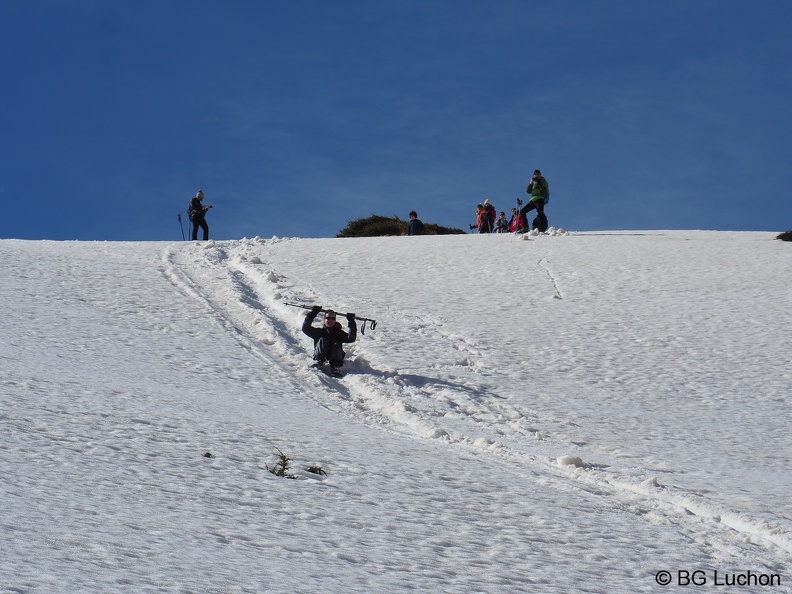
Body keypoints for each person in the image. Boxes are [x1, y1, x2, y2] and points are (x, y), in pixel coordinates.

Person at [302, 306, 357, 375]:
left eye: (333, 319)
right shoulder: (319, 332)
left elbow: (351, 338)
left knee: (336, 343)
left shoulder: (338, 333)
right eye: (328, 318)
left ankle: (336, 366)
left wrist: (351, 322)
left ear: (335, 321)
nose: (330, 320)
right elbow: (305, 329)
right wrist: (313, 313)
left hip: (335, 356)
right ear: (324, 320)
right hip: (321, 353)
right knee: (323, 339)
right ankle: (319, 361)